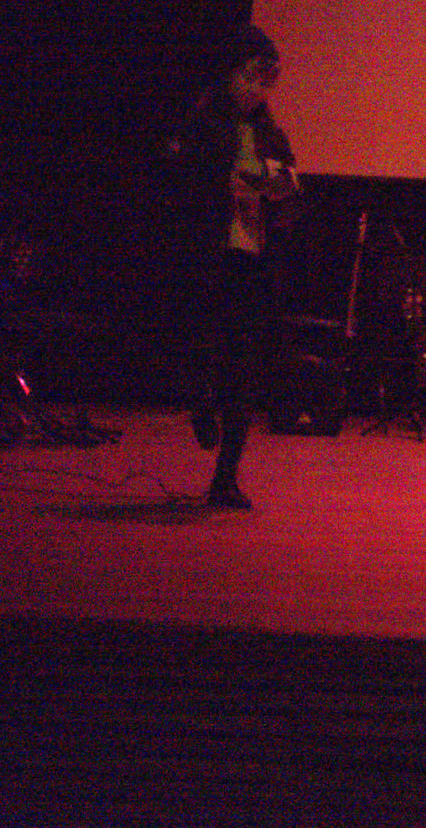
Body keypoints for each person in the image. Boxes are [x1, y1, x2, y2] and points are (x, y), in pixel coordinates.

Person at [161, 27, 301, 511]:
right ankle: (200, 401)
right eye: (252, 76)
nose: (258, 88)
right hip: (206, 255)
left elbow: (290, 189)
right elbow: (174, 182)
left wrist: (277, 191)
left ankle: (226, 477)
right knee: (202, 347)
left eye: (267, 80)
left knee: (244, 368)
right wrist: (221, 183)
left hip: (252, 259)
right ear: (231, 73)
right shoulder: (201, 123)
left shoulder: (271, 133)